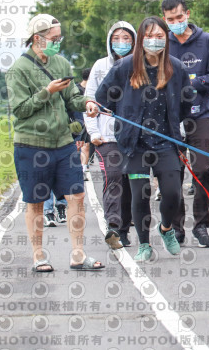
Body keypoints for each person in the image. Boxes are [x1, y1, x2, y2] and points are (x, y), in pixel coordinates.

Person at [5, 13, 103, 272]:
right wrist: (46, 92)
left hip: (63, 143)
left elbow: (72, 97)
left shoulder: (60, 63)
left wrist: (88, 104)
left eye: (60, 38)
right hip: (31, 145)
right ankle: (39, 256)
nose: (58, 42)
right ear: (37, 39)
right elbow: (20, 110)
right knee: (36, 202)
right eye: (54, 38)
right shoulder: (18, 70)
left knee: (77, 196)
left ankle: (78, 254)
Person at [95, 16, 192, 262]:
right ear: (141, 38)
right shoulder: (125, 67)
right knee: (140, 195)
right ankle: (144, 244)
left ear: (166, 39)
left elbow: (186, 103)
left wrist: (171, 125)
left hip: (165, 142)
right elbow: (103, 97)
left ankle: (166, 228)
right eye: (149, 35)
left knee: (172, 193)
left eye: (160, 36)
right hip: (135, 144)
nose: (155, 40)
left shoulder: (176, 67)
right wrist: (123, 114)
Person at [161, 0, 209, 247]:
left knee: (202, 170)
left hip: (202, 115)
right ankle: (177, 227)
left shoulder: (207, 41)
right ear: (164, 20)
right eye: (170, 20)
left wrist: (189, 84)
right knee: (172, 173)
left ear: (187, 14)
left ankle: (201, 226)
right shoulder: (162, 43)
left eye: (179, 17)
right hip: (171, 118)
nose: (175, 22)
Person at [85, 21, 137, 249]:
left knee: (131, 181)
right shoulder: (100, 66)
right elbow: (89, 102)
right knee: (114, 175)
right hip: (108, 137)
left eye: (127, 38)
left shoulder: (141, 66)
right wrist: (94, 132)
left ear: (135, 41)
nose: (122, 43)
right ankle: (113, 226)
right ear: (109, 41)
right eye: (117, 38)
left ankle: (125, 229)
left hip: (134, 136)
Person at [74, 68, 93, 177]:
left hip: (89, 121)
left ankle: (83, 171)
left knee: (86, 146)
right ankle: (76, 168)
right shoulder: (76, 89)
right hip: (77, 122)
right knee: (77, 147)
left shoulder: (92, 90)